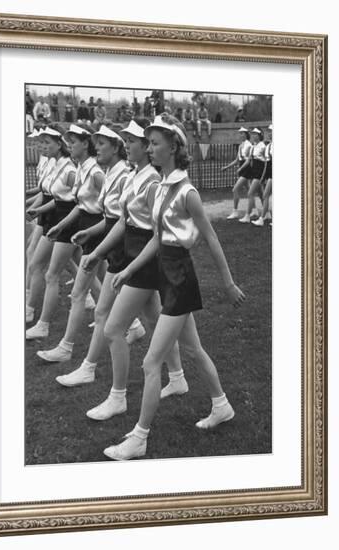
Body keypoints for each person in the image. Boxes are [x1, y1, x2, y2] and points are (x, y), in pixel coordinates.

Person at [101, 115, 245, 460]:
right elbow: (156, 238)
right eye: (147, 143)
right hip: (165, 274)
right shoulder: (163, 186)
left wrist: (228, 283)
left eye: (154, 143)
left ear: (174, 147)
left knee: (152, 362)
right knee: (193, 350)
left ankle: (139, 437)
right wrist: (129, 270)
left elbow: (210, 239)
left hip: (180, 279)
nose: (149, 148)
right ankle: (221, 405)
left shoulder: (187, 192)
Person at [69, 118, 188, 415]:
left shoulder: (150, 181)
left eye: (134, 141)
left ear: (146, 149)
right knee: (153, 319)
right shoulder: (136, 176)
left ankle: (118, 397)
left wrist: (130, 266)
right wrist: (97, 249)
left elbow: (156, 232)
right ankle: (178, 378)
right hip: (134, 256)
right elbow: (123, 220)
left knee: (112, 329)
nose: (130, 145)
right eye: (131, 140)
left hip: (142, 261)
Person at [48, 125, 144, 376]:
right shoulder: (111, 171)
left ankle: (76, 355)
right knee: (149, 314)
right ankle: (174, 372)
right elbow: (112, 215)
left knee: (92, 302)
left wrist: (97, 245)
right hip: (109, 237)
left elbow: (124, 218)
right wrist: (90, 234)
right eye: (96, 143)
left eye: (102, 143)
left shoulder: (119, 174)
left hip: (122, 244)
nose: (96, 147)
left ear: (115, 147)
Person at [24, 125, 77, 339]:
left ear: (59, 144)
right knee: (82, 271)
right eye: (40, 143)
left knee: (49, 270)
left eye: (46, 143)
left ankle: (37, 318)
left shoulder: (69, 169)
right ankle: (31, 311)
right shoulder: (56, 164)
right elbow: (51, 195)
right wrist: (35, 207)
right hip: (54, 219)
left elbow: (78, 201)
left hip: (64, 222)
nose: (41, 147)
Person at [221, 127, 253, 220]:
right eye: (240, 133)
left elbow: (248, 160)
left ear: (246, 134)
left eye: (242, 133)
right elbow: (237, 160)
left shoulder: (248, 145)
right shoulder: (241, 145)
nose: (240, 135)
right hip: (243, 169)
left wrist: (240, 169)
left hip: (246, 169)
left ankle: (235, 211)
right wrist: (227, 167)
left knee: (235, 189)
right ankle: (255, 210)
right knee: (250, 190)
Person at [237, 127, 266, 223]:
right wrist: (241, 168)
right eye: (253, 134)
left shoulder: (262, 146)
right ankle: (267, 213)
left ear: (260, 136)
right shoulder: (254, 146)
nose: (254, 136)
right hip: (254, 172)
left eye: (256, 134)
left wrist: (264, 175)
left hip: (259, 173)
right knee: (261, 193)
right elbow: (249, 160)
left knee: (250, 193)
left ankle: (247, 216)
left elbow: (266, 162)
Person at [252, 124, 273, 227]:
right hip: (270, 175)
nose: (270, 133)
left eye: (272, 131)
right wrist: (263, 177)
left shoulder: (267, 146)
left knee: (265, 195)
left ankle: (262, 218)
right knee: (265, 195)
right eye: (269, 131)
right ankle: (264, 217)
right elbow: (266, 164)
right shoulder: (269, 146)